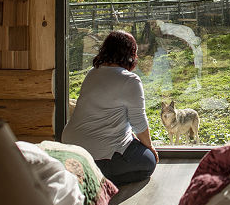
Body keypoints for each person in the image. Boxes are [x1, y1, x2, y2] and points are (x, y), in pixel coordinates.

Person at [62, 30, 158, 185]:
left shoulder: (92, 73)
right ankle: (98, 179)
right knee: (148, 162)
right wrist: (150, 148)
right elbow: (138, 122)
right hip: (98, 155)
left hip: (71, 148)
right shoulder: (130, 80)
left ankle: (84, 174)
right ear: (130, 54)